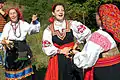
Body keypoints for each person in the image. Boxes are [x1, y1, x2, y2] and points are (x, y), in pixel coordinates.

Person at [42, 3, 91, 80]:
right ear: (53, 13)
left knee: (78, 76)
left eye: (62, 10)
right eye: (58, 10)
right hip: (59, 59)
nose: (60, 12)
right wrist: (60, 51)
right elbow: (46, 47)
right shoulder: (48, 30)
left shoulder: (72, 24)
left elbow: (86, 32)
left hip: (74, 55)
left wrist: (77, 43)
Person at [73, 3, 120, 80]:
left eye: (96, 14)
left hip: (104, 73)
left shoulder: (99, 36)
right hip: (116, 70)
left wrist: (75, 55)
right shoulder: (116, 33)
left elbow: (87, 60)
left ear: (100, 17)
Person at [0, 8, 40, 80]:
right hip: (11, 50)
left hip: (22, 49)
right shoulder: (7, 25)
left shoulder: (23, 23)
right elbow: (3, 38)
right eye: (11, 14)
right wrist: (5, 42)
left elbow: (33, 30)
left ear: (18, 14)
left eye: (14, 13)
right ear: (9, 15)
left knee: (23, 68)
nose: (13, 15)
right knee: (12, 69)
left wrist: (34, 22)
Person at [0, 0, 8, 66]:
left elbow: (5, 15)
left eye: (1, 3)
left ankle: (5, 63)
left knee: (5, 48)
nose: (0, 4)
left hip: (4, 32)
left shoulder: (6, 11)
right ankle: (0, 62)